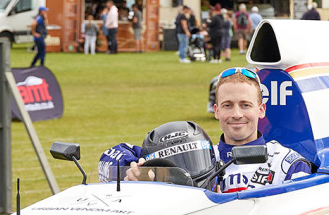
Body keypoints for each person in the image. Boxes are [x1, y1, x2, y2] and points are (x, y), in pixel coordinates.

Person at [101, 68, 312, 192]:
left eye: (245, 105)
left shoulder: (288, 163)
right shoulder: (195, 154)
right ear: (217, 111)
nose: (237, 114)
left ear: (261, 110)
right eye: (228, 105)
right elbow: (114, 156)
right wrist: (135, 171)